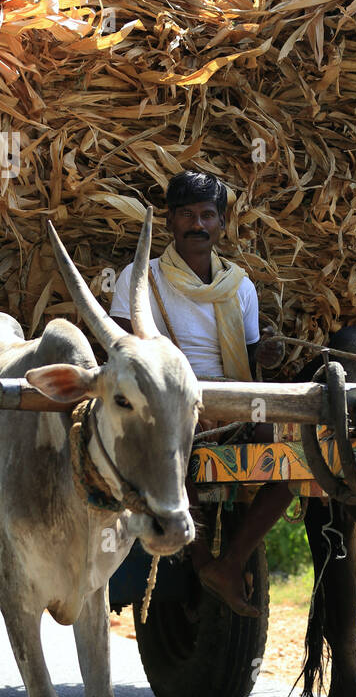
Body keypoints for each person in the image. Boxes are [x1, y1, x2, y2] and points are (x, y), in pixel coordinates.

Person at [109, 170, 292, 617]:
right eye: (187, 214)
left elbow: (247, 359)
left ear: (221, 224)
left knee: (294, 462)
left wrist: (266, 354)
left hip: (229, 399)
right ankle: (203, 561)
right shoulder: (141, 278)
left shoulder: (240, 285)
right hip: (165, 397)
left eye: (207, 215)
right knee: (172, 457)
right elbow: (120, 350)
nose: (198, 224)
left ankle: (227, 564)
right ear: (170, 222)